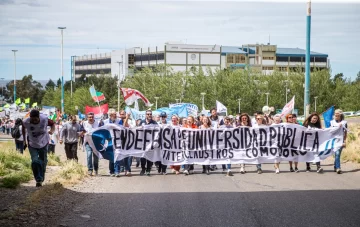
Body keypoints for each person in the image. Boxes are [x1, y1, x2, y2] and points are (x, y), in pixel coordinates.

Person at [22, 109, 55, 187]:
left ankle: (41, 176)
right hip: (32, 144)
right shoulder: (26, 121)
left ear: (38, 117)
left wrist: (51, 131)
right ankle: (38, 179)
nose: (34, 121)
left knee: (43, 162)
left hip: (44, 143)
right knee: (35, 161)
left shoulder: (44, 119)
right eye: (32, 119)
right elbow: (23, 129)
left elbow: (53, 124)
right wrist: (24, 141)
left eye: (35, 119)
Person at [139, 110, 158, 176]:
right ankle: (143, 169)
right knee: (143, 157)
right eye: (148, 114)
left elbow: (158, 131)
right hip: (143, 143)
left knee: (150, 157)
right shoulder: (142, 122)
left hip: (151, 143)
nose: (149, 115)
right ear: (145, 115)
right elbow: (137, 130)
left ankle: (148, 170)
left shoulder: (154, 122)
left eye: (150, 114)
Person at [330, 109, 347, 174]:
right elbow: (329, 131)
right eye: (335, 113)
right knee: (336, 154)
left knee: (338, 154)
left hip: (341, 141)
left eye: (337, 113)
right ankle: (338, 167)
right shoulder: (332, 122)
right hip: (334, 141)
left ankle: (336, 167)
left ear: (340, 114)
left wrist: (344, 141)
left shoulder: (344, 123)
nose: (336, 115)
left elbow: (345, 133)